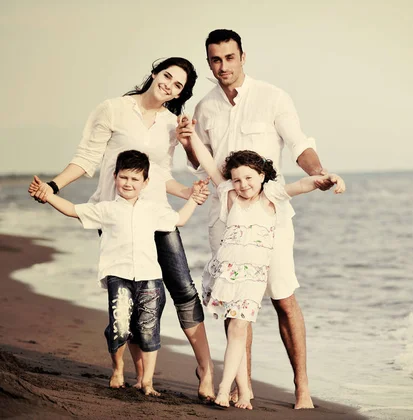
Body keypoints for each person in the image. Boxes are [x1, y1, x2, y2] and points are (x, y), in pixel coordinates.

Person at [28, 57, 215, 401]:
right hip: (116, 215)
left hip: (156, 213)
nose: (169, 85)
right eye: (167, 76)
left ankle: (205, 370)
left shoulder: (172, 123)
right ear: (155, 73)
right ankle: (142, 376)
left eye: (178, 85)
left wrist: (188, 191)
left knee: (183, 288)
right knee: (131, 289)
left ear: (181, 93)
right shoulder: (112, 109)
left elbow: (160, 173)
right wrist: (53, 187)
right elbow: (86, 159)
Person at [176, 29, 339, 408]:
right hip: (225, 218)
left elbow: (300, 145)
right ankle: (241, 387)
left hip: (270, 216)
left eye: (230, 58)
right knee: (236, 304)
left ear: (243, 57)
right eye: (216, 60)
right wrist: (187, 140)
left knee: (283, 297)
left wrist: (319, 174)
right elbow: (198, 160)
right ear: (209, 62)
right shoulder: (205, 108)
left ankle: (301, 388)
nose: (223, 66)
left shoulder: (273, 97)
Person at [183, 126, 345, 408]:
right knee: (237, 329)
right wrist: (191, 134)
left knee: (237, 329)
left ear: (262, 175)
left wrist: (327, 178)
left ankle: (224, 389)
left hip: (253, 278)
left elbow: (302, 186)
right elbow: (209, 163)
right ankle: (244, 392)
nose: (243, 184)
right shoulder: (229, 194)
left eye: (249, 177)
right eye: (237, 179)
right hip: (226, 273)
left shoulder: (271, 196)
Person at [29, 150, 206, 396]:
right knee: (120, 328)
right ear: (114, 177)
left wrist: (194, 199)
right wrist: (48, 195)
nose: (128, 183)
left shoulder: (153, 210)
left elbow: (179, 220)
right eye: (124, 177)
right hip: (119, 276)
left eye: (135, 179)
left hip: (150, 279)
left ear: (145, 182)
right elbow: (72, 210)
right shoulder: (107, 209)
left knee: (148, 330)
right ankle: (118, 368)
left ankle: (147, 382)